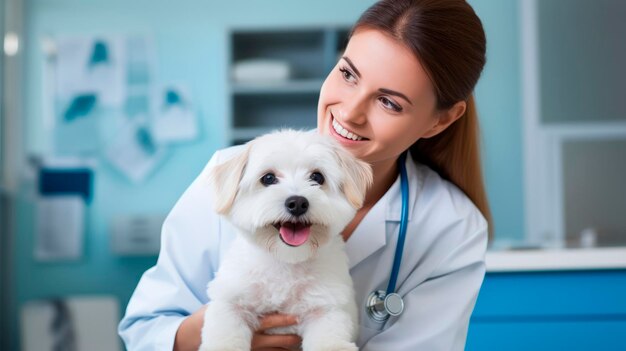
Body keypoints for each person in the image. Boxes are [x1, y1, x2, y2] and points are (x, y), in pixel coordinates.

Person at [118, 0, 492, 349]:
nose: (350, 113)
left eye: (388, 102)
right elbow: (144, 330)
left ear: (441, 119)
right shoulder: (230, 173)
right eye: (348, 74)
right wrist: (223, 327)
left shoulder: (452, 226)